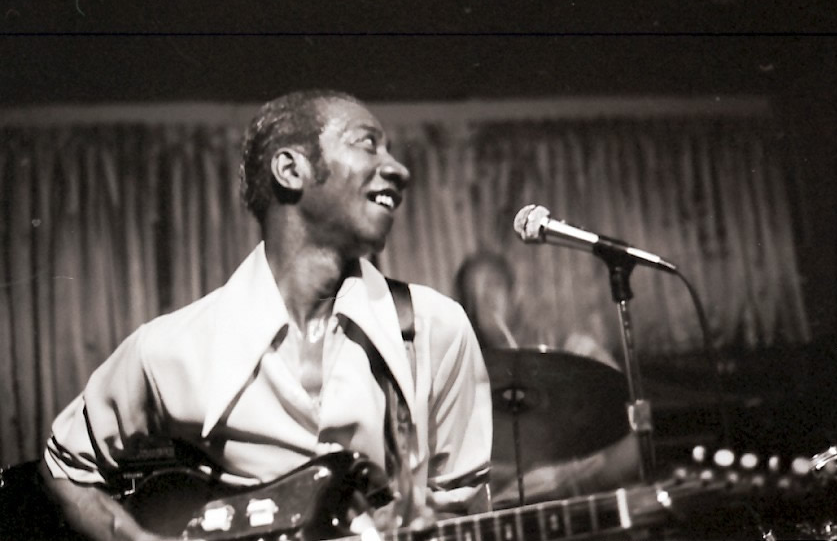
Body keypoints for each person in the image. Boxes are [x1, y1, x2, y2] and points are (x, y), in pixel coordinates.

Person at [41, 90, 492, 541]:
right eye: (367, 144)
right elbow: (64, 467)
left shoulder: (434, 329)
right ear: (291, 169)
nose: (398, 168)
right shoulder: (170, 349)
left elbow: (466, 516)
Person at [453, 250, 640, 505]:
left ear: (515, 293)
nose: (485, 301)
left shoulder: (577, 351)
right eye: (473, 295)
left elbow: (633, 446)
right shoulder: (468, 388)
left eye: (492, 286)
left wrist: (568, 483)